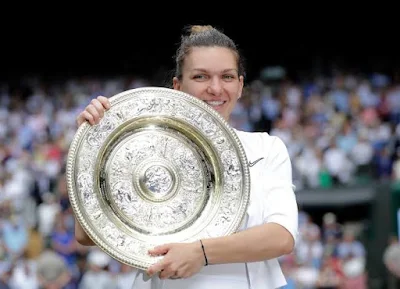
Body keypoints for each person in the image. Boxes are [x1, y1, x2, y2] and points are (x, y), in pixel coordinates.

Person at [73, 24, 299, 289]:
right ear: (177, 86)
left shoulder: (265, 148)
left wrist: (201, 253)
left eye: (227, 77)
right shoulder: (141, 149)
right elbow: (88, 234)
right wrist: (90, 146)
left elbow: (281, 237)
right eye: (201, 77)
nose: (215, 89)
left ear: (240, 86)